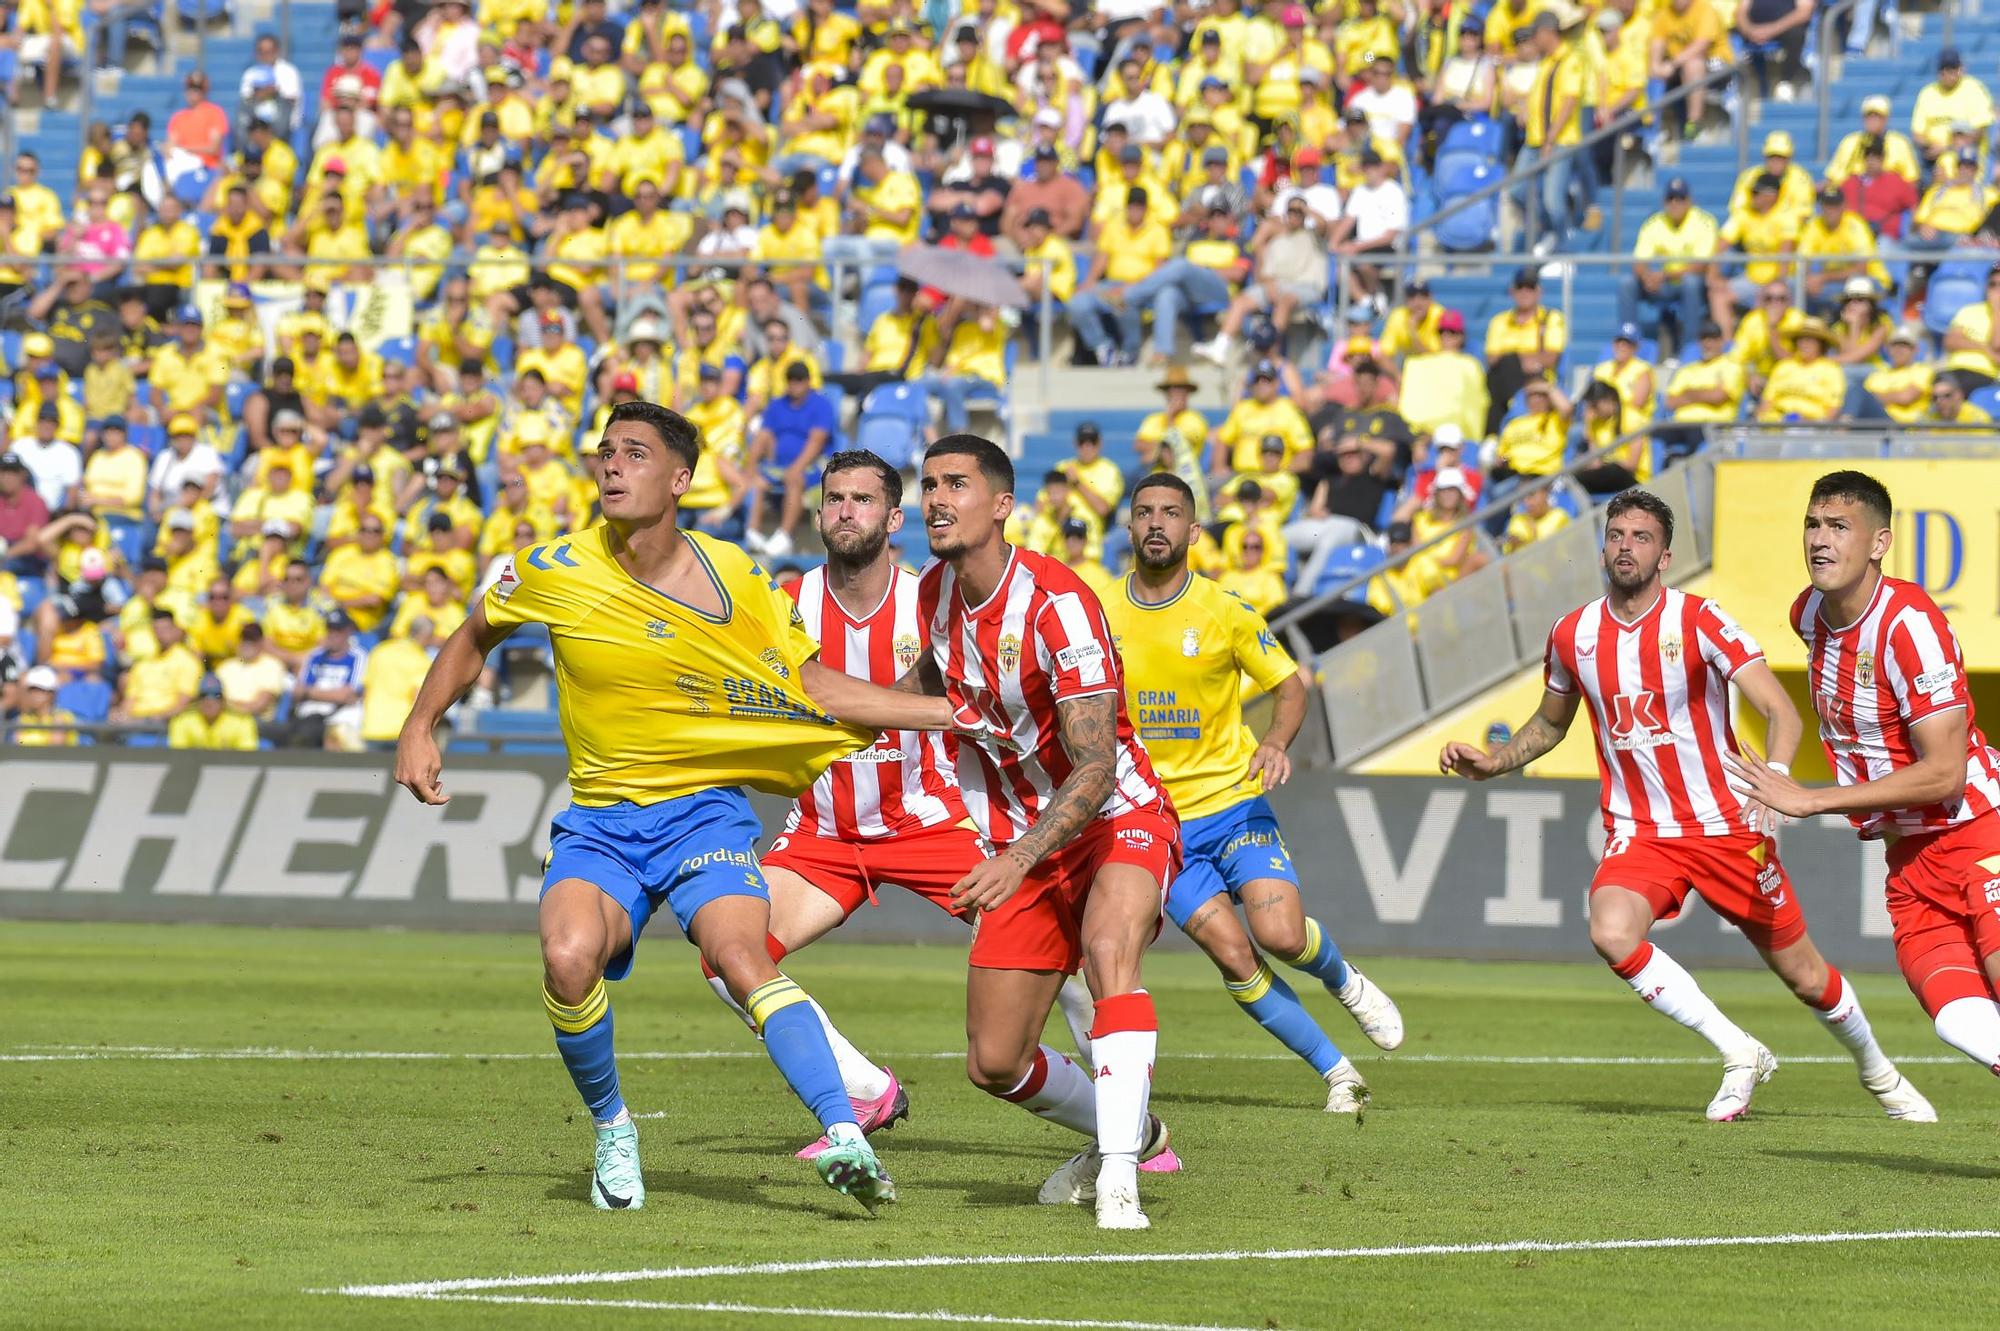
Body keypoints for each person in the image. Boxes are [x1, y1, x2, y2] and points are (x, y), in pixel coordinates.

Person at [393, 401, 972, 1216]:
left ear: (680, 480)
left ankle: (845, 1131)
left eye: (634, 453)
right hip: (600, 821)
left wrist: (955, 710)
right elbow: (472, 633)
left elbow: (810, 687)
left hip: (704, 814)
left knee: (744, 959)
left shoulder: (734, 574)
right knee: (567, 958)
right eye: (605, 452)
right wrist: (421, 723)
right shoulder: (555, 566)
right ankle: (614, 1129)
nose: (612, 465)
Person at [1443, 488, 1934, 1123]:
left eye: (1641, 537)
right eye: (1617, 535)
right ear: (1603, 547)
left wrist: (1778, 781)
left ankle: (1879, 1072)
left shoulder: (1699, 621)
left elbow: (1779, 711)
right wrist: (1496, 762)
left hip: (1727, 825)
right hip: (1641, 831)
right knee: (1610, 931)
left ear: (1665, 555)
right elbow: (1549, 722)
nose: (1626, 546)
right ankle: (1738, 1051)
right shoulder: (1573, 633)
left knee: (1806, 976)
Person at [697, 450, 1104, 1157]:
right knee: (727, 953)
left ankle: (1119, 1115)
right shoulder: (786, 603)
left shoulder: (932, 598)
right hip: (825, 830)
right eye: (832, 498)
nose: (844, 510)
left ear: (892, 518)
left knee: (1053, 942)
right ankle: (865, 1090)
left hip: (934, 817)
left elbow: (991, 700)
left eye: (861, 499)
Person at [907, 434, 1181, 1230]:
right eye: (927, 484)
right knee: (995, 1062)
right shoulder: (934, 596)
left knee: (1108, 953)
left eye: (956, 483)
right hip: (1027, 838)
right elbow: (926, 683)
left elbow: (1096, 764)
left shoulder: (1059, 602)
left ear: (1001, 504)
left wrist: (1018, 854)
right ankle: (1125, 1129)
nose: (935, 498)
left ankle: (1122, 1180)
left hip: (1112, 815)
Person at [1095, 473, 1402, 1109]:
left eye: (1171, 513)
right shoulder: (1098, 614)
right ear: (1129, 529)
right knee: (1233, 955)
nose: (1157, 523)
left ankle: (1344, 980)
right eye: (1145, 513)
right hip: (1156, 825)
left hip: (1233, 804)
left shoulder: (1223, 609)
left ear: (1193, 531)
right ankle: (1339, 1074)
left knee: (1283, 935)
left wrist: (1274, 743)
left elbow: (1292, 686)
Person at [1725, 471, 2000, 1085]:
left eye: (1839, 527)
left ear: (1879, 543)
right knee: (1958, 1020)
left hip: (1982, 837)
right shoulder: (1810, 615)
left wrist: (1812, 799)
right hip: (1912, 865)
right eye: (1812, 524)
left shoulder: (1910, 626)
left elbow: (1945, 775)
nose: (1820, 540)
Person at [1622, 178, 1717, 353]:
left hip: (1691, 285)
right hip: (1662, 284)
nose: (1675, 204)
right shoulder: (1654, 222)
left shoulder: (1703, 221)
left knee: (1690, 282)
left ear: (1689, 201)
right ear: (1663, 202)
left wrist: (1663, 276)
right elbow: (1639, 261)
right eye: (1670, 199)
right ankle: (1628, 343)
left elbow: (1700, 266)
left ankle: (1689, 349)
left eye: (1680, 199)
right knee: (1628, 282)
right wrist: (1646, 277)